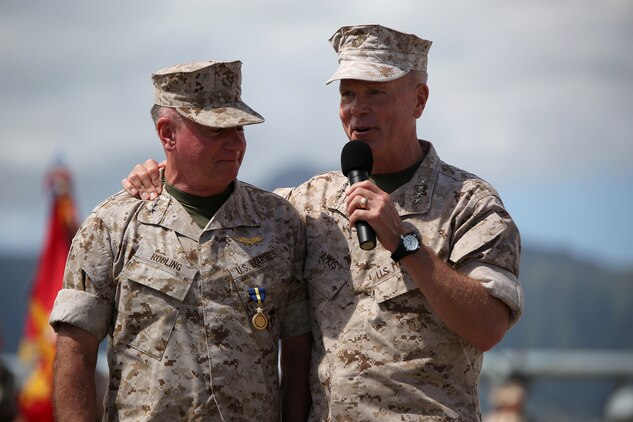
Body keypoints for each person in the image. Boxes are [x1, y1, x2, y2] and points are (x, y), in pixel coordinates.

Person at [123, 25, 523, 421]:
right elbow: (219, 203)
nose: (357, 108)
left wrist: (406, 243)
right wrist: (166, 174)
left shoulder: (469, 203)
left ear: (419, 100)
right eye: (347, 93)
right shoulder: (308, 204)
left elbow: (488, 327)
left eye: (375, 92)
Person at [49, 60, 312, 421]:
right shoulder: (111, 226)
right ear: (167, 133)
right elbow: (74, 353)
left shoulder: (279, 223)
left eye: (240, 128)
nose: (236, 142)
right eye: (217, 130)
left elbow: (299, 351)